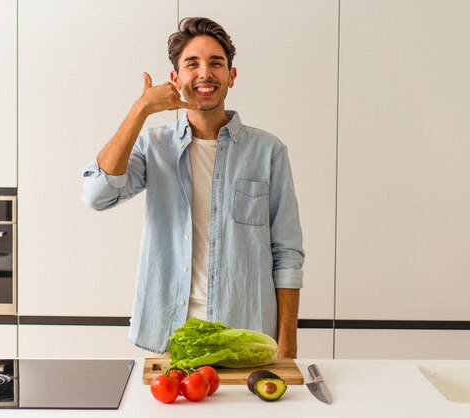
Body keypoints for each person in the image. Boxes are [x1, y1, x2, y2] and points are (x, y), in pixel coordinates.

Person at [82, 17, 304, 357]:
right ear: (175, 79)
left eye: (216, 63)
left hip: (244, 338)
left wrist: (287, 344)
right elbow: (97, 195)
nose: (205, 74)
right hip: (170, 338)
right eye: (192, 64)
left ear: (231, 75)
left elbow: (286, 254)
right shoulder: (153, 147)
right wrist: (140, 109)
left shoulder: (268, 152)